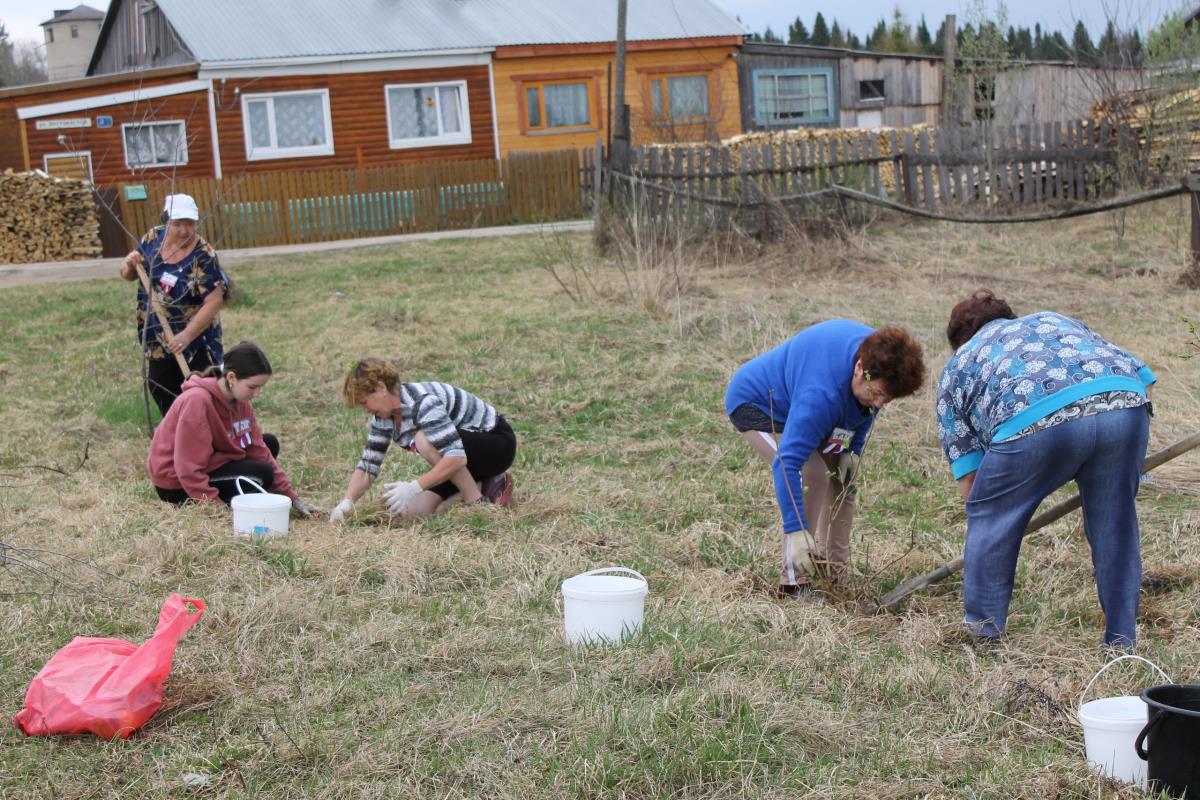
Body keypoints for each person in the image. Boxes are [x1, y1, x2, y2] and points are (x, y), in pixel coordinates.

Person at [937, 290, 1155, 649]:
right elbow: (1143, 378)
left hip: (1036, 423)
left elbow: (971, 487)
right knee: (1114, 524)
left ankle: (983, 632)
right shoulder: (1055, 320)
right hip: (1123, 403)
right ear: (1010, 317)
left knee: (990, 516)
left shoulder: (958, 364)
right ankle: (1122, 641)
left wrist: (1003, 510)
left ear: (958, 340)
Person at [725, 321, 926, 598]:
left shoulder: (880, 363)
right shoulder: (821, 394)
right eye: (877, 394)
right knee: (813, 473)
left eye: (887, 400)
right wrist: (795, 530)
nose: (880, 404)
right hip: (760, 405)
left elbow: (862, 414)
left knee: (844, 480)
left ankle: (835, 573)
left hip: (810, 407)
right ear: (859, 370)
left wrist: (852, 450)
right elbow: (788, 463)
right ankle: (794, 582)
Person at [331, 358, 516, 522]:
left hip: (496, 444)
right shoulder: (383, 418)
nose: (365, 409)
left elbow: (456, 457)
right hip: (461, 457)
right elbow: (367, 468)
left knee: (424, 439)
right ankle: (490, 484)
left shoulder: (423, 403)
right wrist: (347, 502)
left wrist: (414, 487)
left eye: (365, 402)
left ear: (381, 388)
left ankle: (476, 501)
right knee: (416, 513)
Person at [147, 341, 321, 515]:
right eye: (252, 387)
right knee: (262, 473)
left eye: (261, 387)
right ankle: (237, 501)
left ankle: (254, 495)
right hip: (177, 484)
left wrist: (292, 498)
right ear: (231, 378)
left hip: (210, 463)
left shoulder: (241, 402)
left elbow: (258, 448)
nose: (257, 394)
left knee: (269, 444)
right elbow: (187, 468)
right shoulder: (197, 401)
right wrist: (216, 508)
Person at [119, 193, 228, 417]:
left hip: (196, 339)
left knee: (202, 392)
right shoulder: (153, 238)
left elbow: (214, 300)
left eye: (189, 224)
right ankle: (176, 438)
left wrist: (186, 336)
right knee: (161, 387)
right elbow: (127, 274)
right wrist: (131, 264)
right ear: (167, 220)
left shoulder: (204, 255)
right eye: (177, 224)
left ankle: (208, 440)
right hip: (157, 336)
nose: (184, 231)